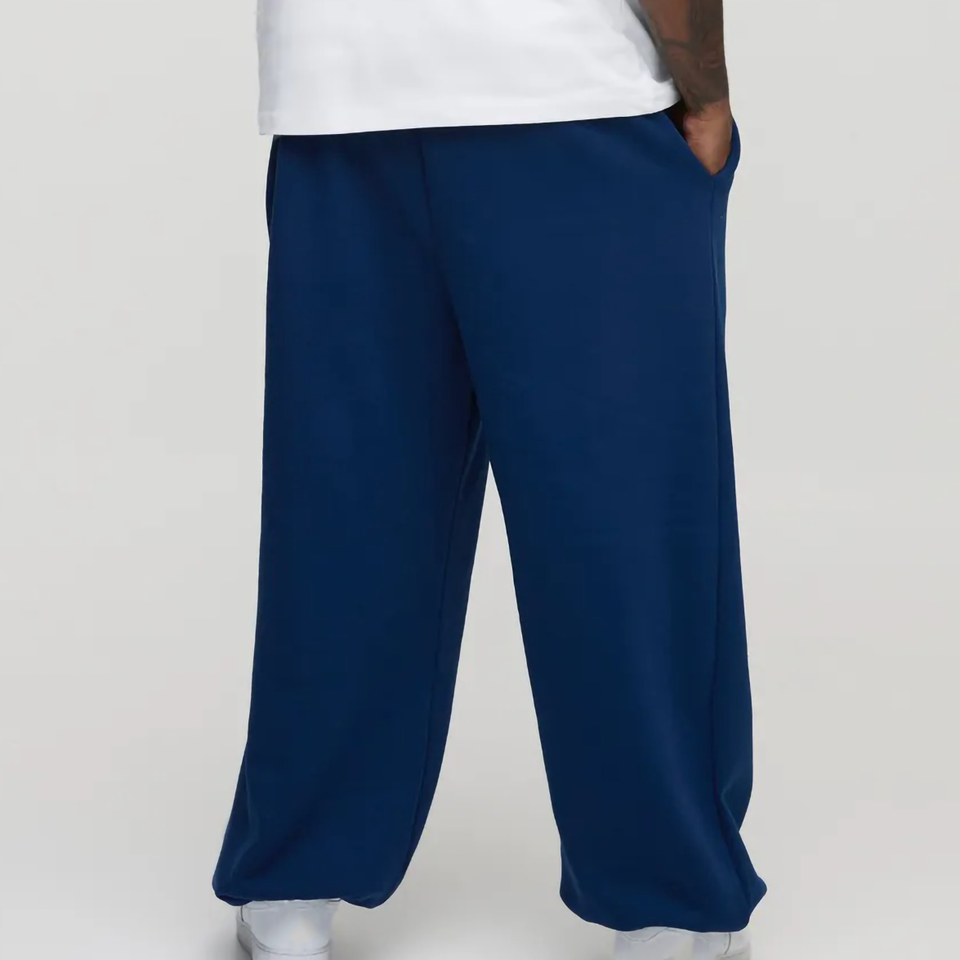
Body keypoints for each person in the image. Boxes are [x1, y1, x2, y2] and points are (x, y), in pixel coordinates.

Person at [213, 0, 766, 957]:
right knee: (623, 519)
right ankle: (669, 897)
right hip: (571, 89)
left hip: (340, 89)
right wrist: (706, 87)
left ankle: (293, 883)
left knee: (346, 513)